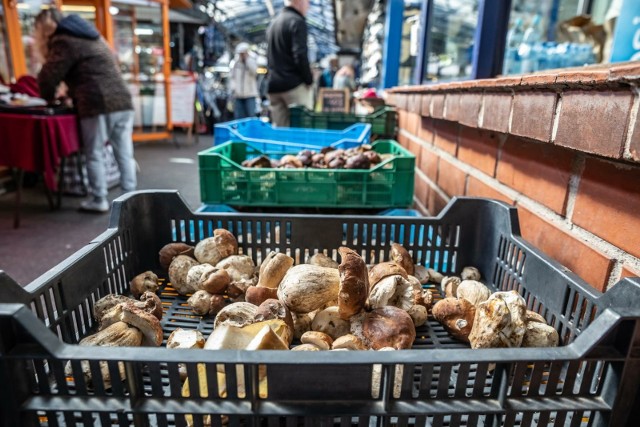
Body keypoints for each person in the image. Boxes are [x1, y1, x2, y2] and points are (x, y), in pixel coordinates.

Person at [35, 8, 136, 213]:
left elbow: (48, 76)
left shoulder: (64, 40)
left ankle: (99, 199)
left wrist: (47, 96)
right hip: (123, 100)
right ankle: (130, 197)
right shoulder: (90, 34)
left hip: (97, 102)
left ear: (45, 26)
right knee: (124, 152)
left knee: (94, 152)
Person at [266, 0, 313, 127]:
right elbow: (300, 55)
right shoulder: (297, 21)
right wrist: (309, 80)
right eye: (308, 2)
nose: (308, 5)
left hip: (273, 86)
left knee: (280, 130)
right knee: (303, 127)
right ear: (299, 2)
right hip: (293, 86)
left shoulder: (273, 23)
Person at [229, 42, 258, 119]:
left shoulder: (251, 61)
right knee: (239, 117)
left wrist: (247, 60)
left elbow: (254, 72)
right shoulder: (235, 63)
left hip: (250, 95)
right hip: (238, 95)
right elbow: (232, 77)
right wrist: (233, 89)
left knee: (251, 116)